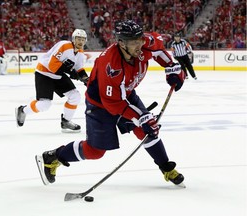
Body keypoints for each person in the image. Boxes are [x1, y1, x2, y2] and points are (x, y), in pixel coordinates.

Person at [35, 20, 186, 186]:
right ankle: (53, 157)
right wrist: (140, 117)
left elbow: (158, 49)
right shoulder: (111, 65)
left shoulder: (144, 43)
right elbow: (113, 103)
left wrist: (171, 66)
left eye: (140, 40)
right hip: (100, 104)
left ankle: (166, 167)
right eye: (134, 43)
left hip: (126, 95)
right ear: (121, 43)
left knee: (148, 131)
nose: (139, 45)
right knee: (95, 151)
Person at [15, 29, 89, 133]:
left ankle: (66, 121)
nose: (80, 42)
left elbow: (79, 68)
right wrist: (71, 72)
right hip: (44, 73)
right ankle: (23, 110)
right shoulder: (64, 45)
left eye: (83, 39)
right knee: (44, 105)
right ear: (73, 39)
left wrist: (86, 79)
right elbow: (52, 65)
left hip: (57, 75)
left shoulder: (80, 53)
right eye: (78, 39)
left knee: (75, 96)